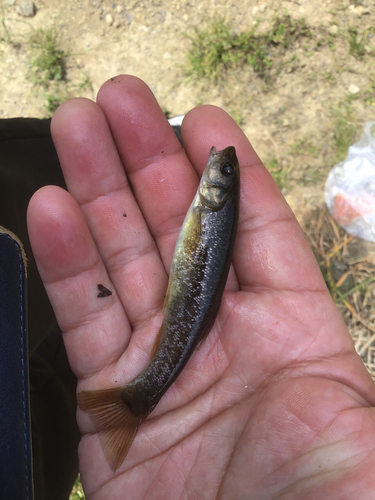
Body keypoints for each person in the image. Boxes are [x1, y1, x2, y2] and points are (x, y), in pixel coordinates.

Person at [26, 75, 375, 499]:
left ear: (216, 187)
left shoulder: (211, 206)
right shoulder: (210, 205)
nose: (219, 163)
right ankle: (133, 403)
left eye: (222, 170)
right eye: (224, 169)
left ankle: (136, 401)